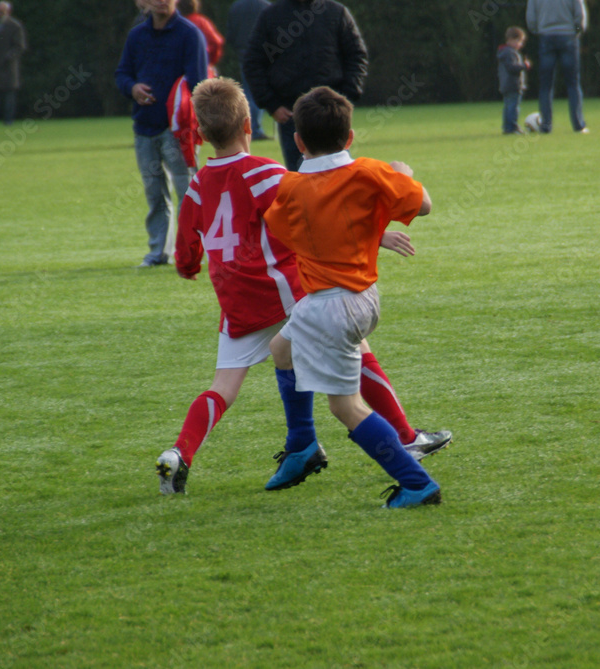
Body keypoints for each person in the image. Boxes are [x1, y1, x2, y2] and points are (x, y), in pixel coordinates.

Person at [155, 78, 450, 496]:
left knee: (226, 387)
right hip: (292, 290)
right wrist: (377, 229)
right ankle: (402, 451)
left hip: (238, 303)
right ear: (247, 127)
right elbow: (328, 205)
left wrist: (191, 267)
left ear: (200, 134)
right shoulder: (269, 173)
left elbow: (188, 256)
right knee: (342, 372)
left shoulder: (200, 187)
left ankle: (188, 451)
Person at [263, 86, 442, 509]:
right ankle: (302, 444)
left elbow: (289, 233)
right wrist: (403, 173)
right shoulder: (369, 172)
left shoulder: (290, 188)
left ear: (299, 142)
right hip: (358, 298)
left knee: (346, 407)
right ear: (350, 137)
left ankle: (416, 483)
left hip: (332, 305)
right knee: (281, 347)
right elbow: (426, 205)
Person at [115, 0, 208, 268]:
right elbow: (122, 73)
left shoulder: (190, 34)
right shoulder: (137, 35)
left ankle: (192, 251)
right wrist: (132, 88)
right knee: (154, 194)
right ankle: (158, 252)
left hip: (178, 129)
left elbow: (198, 83)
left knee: (187, 193)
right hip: (144, 127)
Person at [243, 0, 367, 171]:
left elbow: (357, 57)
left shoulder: (336, 13)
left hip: (331, 114)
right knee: (300, 178)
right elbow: (253, 62)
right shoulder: (271, 16)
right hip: (291, 115)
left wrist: (344, 98)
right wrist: (273, 104)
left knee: (339, 175)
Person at [526, 0, 589, 134]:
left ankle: (546, 126)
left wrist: (540, 30)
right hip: (568, 36)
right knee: (573, 84)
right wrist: (577, 31)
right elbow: (580, 15)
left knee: (546, 85)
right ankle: (578, 126)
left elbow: (531, 19)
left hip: (546, 37)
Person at [225, 0, 271, 140]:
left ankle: (248, 127)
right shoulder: (266, 6)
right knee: (256, 91)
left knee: (248, 90)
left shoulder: (236, 6)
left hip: (243, 52)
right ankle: (254, 129)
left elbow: (230, 34)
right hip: (264, 53)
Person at [498, 26, 531, 135]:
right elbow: (512, 68)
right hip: (513, 85)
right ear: (511, 40)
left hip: (506, 85)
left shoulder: (504, 52)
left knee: (508, 106)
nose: (521, 45)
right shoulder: (510, 53)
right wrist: (524, 66)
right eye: (519, 41)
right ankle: (512, 127)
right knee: (513, 107)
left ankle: (507, 127)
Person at [179, 0, 224, 77]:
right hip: (202, 68)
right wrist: (209, 61)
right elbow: (216, 42)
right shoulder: (201, 21)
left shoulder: (177, 23)